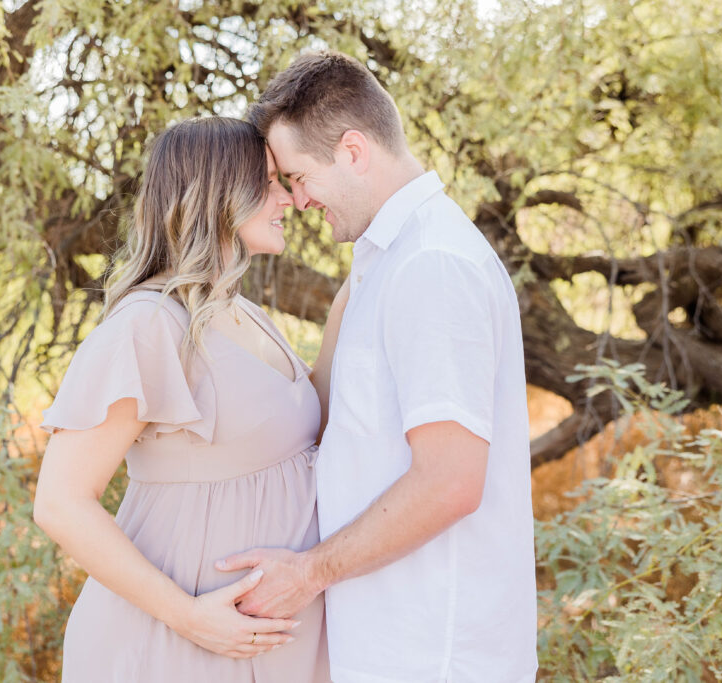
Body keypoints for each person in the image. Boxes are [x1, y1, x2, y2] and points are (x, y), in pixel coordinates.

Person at [215, 51, 539, 682]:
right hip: (391, 645)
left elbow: (450, 481)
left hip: (435, 655)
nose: (298, 201)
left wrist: (307, 574)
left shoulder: (432, 265)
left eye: (300, 177)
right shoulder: (386, 264)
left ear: (354, 151)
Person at [32, 116, 336, 682]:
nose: (289, 199)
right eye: (269, 182)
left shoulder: (243, 312)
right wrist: (189, 618)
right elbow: (60, 501)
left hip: (266, 646)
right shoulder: (148, 325)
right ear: (221, 193)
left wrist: (360, 286)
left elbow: (302, 421)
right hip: (176, 645)